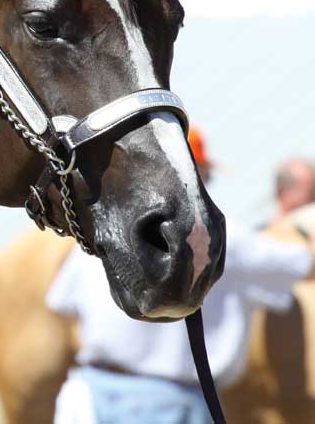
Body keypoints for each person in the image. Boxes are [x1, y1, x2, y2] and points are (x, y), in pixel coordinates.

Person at [47, 127, 315, 424]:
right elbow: (301, 265)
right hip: (170, 405)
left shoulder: (104, 231)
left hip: (89, 396)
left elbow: (61, 305)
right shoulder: (222, 237)